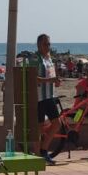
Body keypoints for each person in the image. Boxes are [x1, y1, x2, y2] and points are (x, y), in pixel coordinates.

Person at [35, 34, 61, 164]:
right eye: (45, 44)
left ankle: (43, 150)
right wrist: (51, 80)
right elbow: (33, 78)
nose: (48, 46)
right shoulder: (36, 59)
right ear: (39, 45)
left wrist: (56, 81)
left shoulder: (49, 58)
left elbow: (51, 76)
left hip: (49, 96)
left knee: (57, 123)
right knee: (39, 128)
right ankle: (38, 155)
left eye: (49, 44)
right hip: (39, 98)